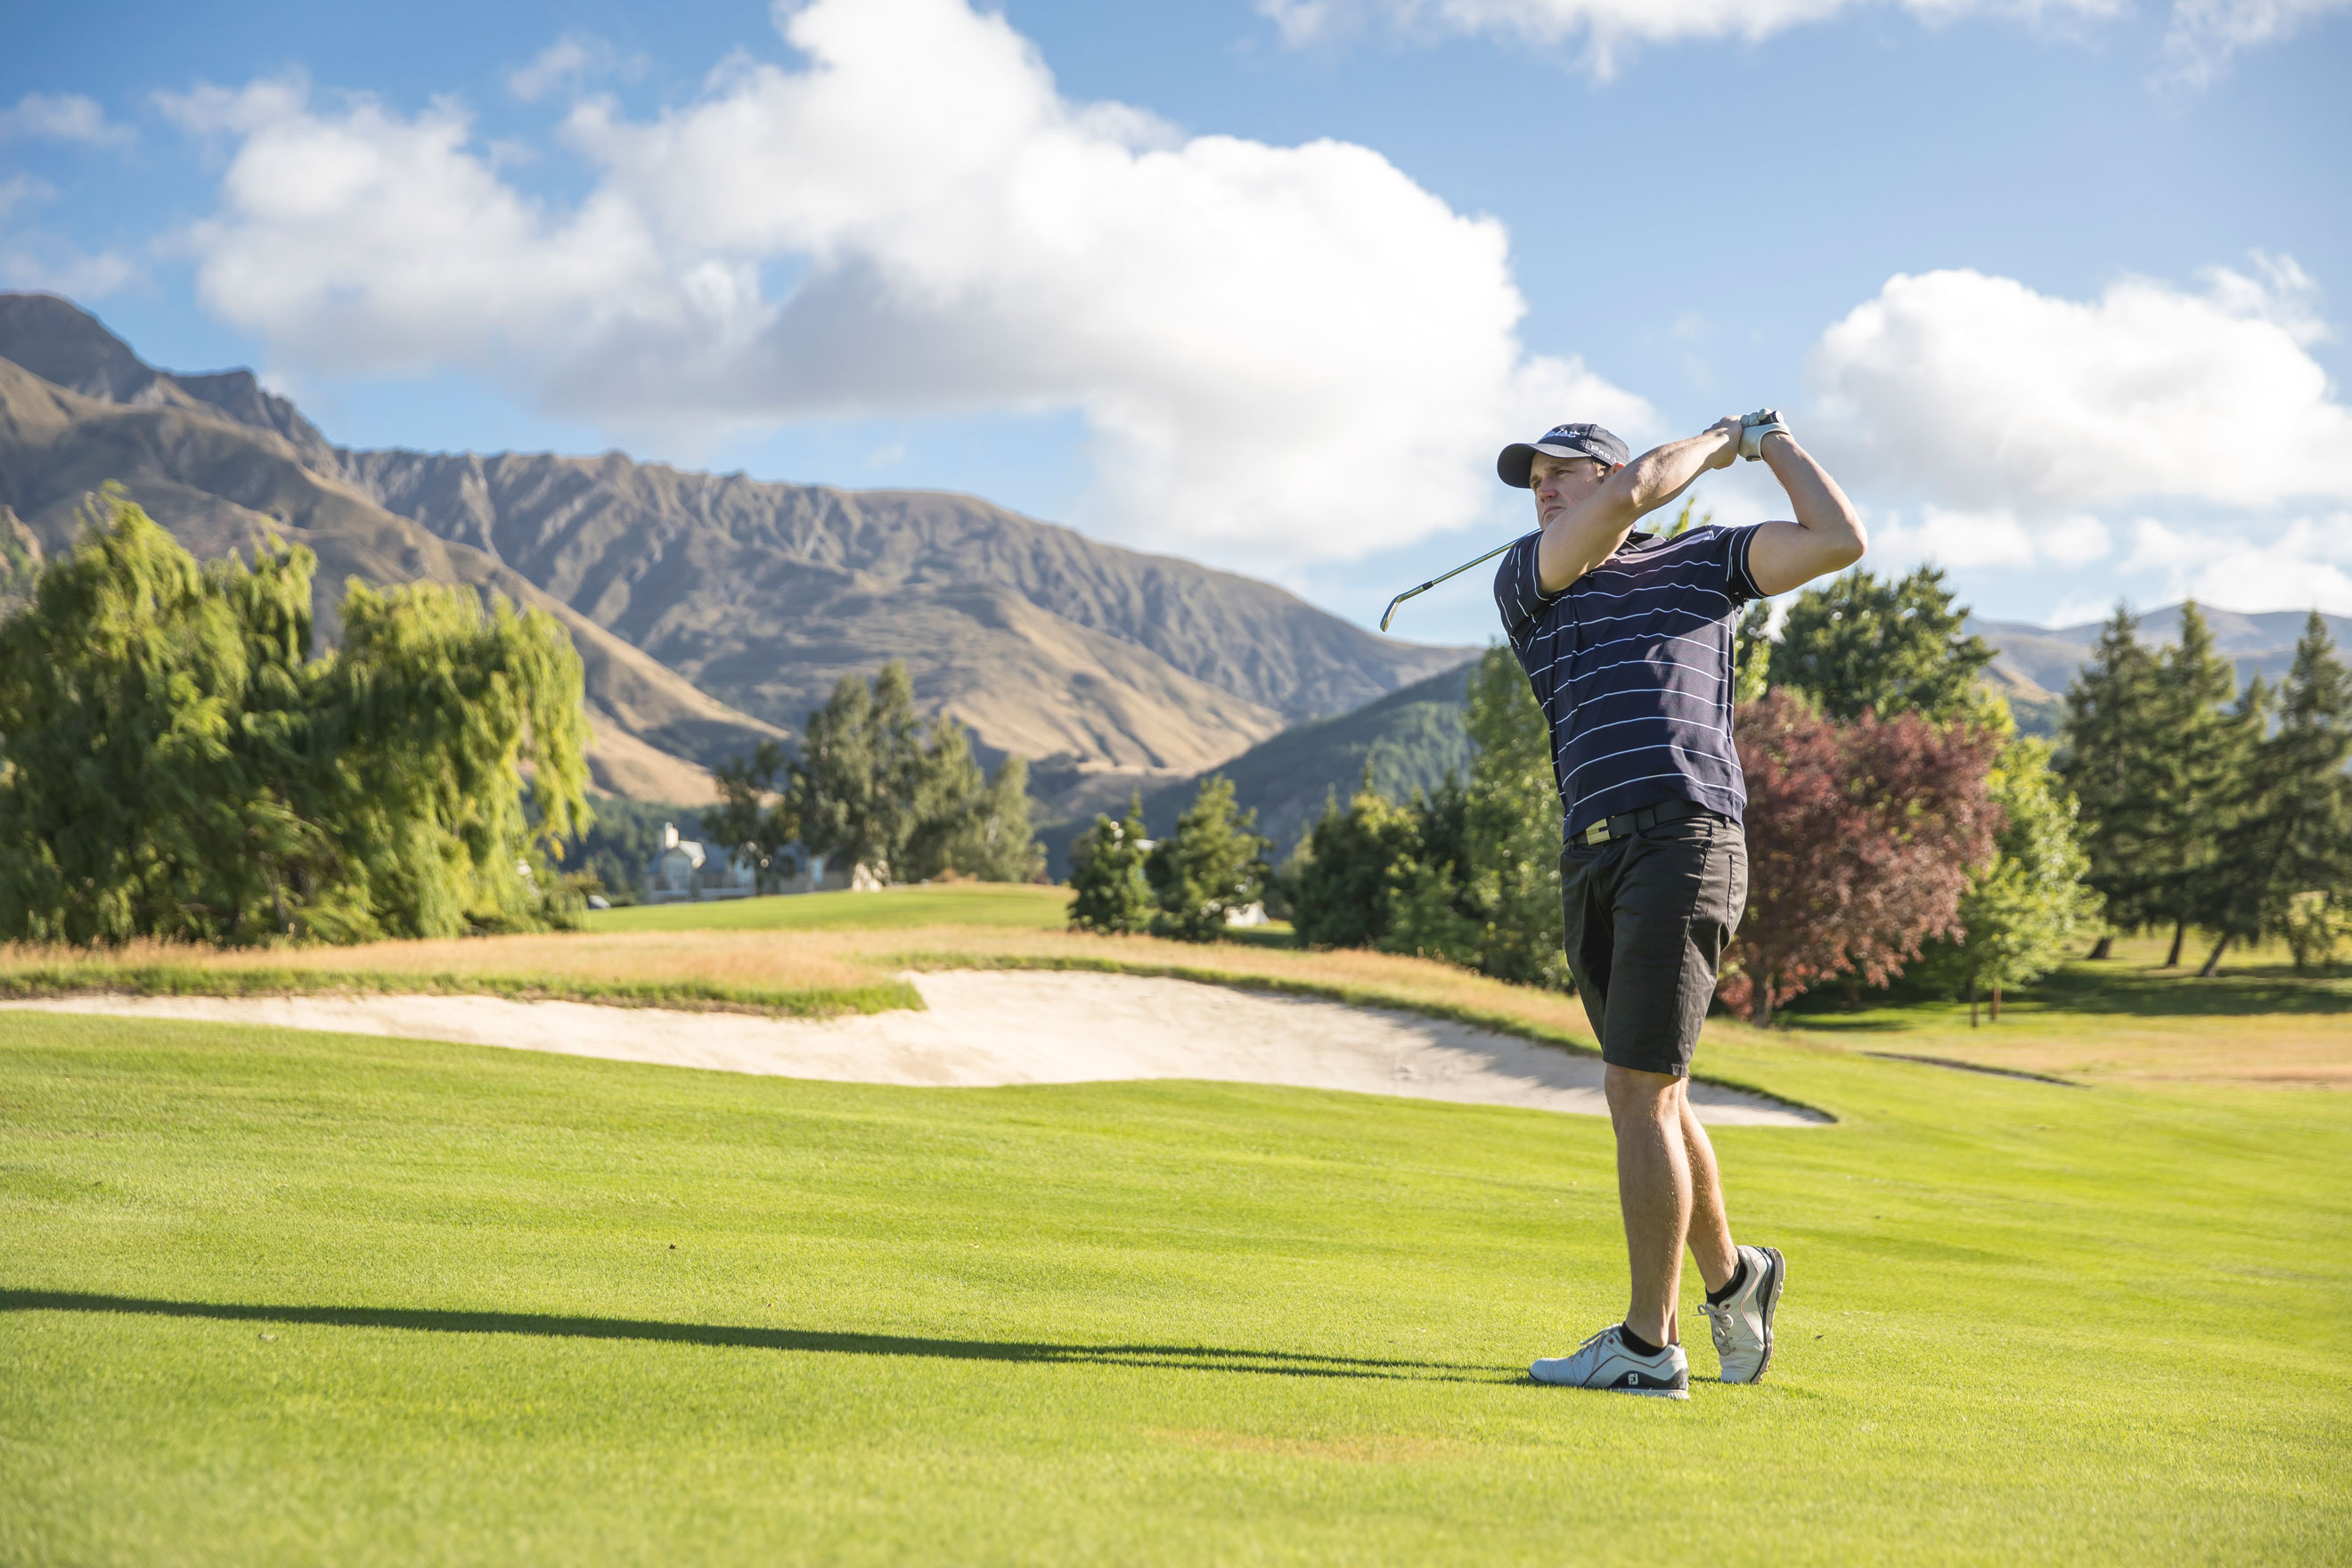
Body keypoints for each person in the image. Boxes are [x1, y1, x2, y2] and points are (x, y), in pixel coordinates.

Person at [1492, 412, 1866, 1398]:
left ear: (1605, 464)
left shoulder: (1703, 560)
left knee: (1638, 1093)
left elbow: (1838, 538)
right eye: (1534, 480)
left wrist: (1773, 444)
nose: (1545, 490)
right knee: (1657, 1089)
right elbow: (1631, 497)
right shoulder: (1530, 576)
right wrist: (1716, 438)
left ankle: (1649, 1347)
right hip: (1593, 852)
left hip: (1686, 836)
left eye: (1563, 472)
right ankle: (1737, 1278)